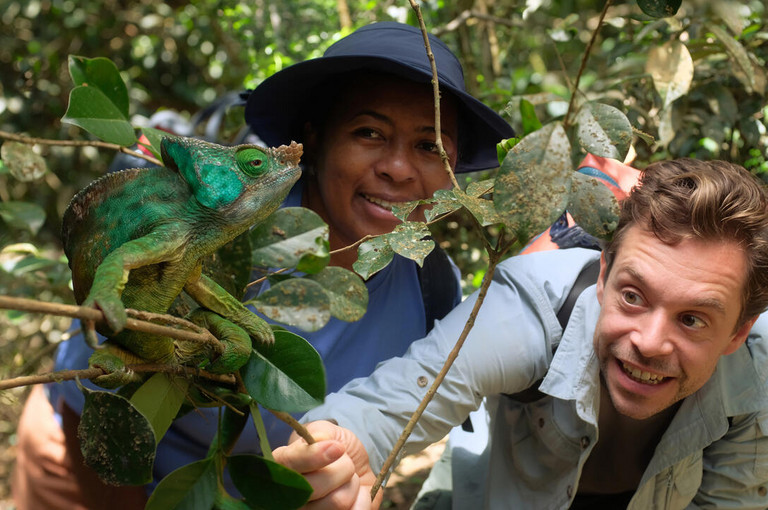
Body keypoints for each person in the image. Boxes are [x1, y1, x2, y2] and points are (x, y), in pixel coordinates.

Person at [11, 21, 514, 509]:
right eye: (369, 133)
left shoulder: (433, 286)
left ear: (452, 173)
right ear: (315, 140)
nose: (397, 168)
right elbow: (91, 404)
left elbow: (374, 445)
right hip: (89, 462)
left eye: (429, 147)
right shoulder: (225, 229)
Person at [273, 158, 768, 509]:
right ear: (602, 275)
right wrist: (333, 450)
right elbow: (393, 402)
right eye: (633, 296)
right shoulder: (531, 310)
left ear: (737, 331)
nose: (650, 342)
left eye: (693, 319)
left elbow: (730, 496)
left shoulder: (758, 367)